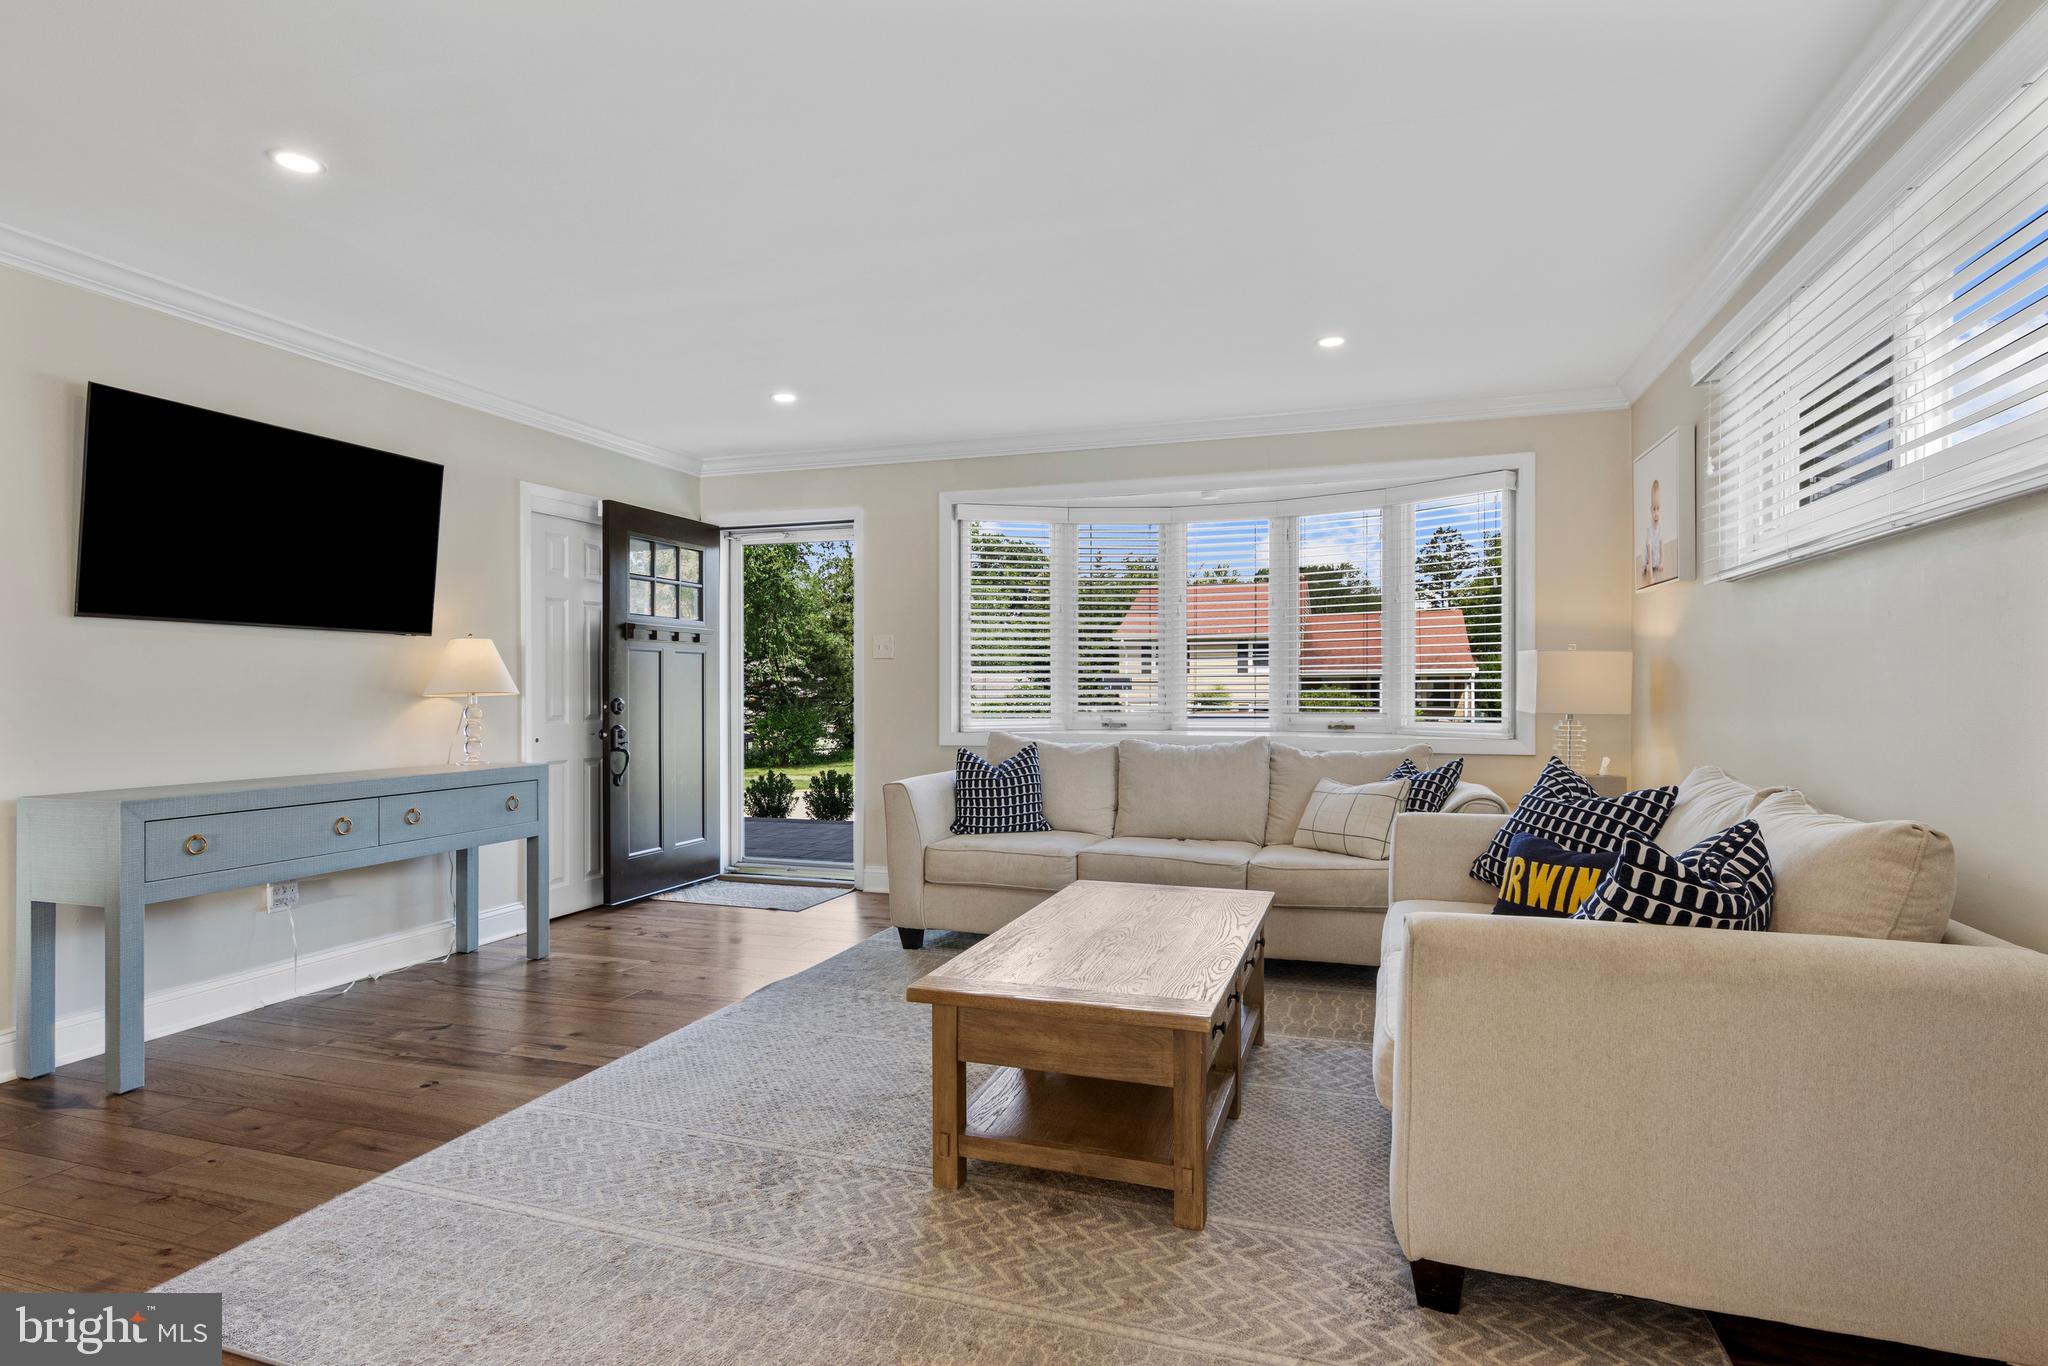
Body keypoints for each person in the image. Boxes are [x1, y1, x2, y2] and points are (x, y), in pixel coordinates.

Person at [1640, 478, 1664, 585]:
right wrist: (1651, 577)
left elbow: (1661, 544)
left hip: (1656, 560)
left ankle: (1654, 565)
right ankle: (1644, 567)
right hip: (1650, 560)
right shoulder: (1650, 531)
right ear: (1651, 509)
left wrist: (1661, 562)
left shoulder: (1660, 529)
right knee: (1645, 556)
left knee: (1656, 560)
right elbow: (1649, 554)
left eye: (1658, 508)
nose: (1656, 513)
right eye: (1654, 509)